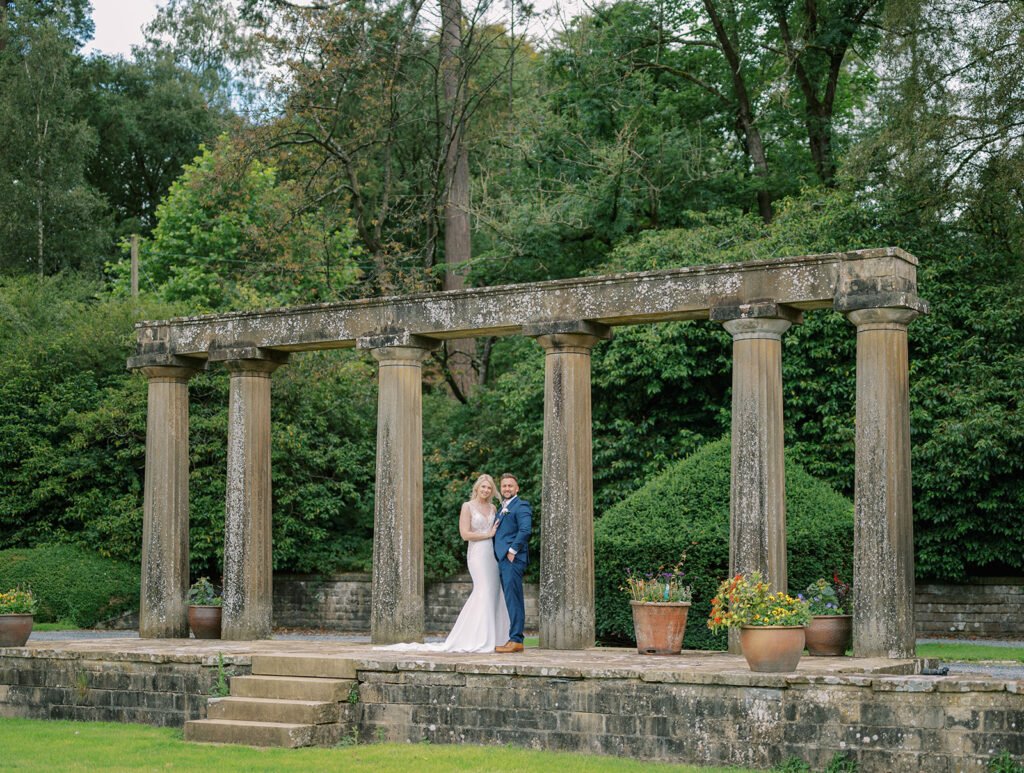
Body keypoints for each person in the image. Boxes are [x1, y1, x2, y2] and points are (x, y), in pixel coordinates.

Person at [374, 474, 509, 653]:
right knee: (482, 590)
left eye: (489, 488)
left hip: (492, 555)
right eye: (483, 487)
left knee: (494, 592)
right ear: (477, 488)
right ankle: (478, 638)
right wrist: (488, 535)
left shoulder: (493, 507)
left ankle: (497, 637)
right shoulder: (467, 506)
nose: (486, 490)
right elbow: (465, 534)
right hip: (477, 554)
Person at [493, 472, 532, 653]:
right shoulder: (502, 508)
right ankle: (513, 638)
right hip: (503, 560)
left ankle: (516, 639)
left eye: (510, 486)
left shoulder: (521, 505)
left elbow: (525, 530)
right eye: (504, 486)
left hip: (512, 559)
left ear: (517, 488)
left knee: (514, 598)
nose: (507, 488)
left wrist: (512, 551)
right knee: (510, 598)